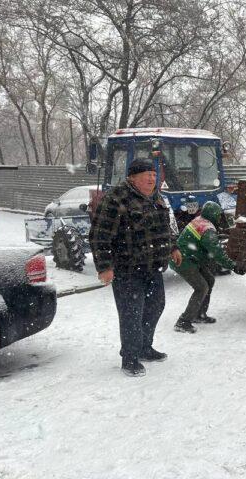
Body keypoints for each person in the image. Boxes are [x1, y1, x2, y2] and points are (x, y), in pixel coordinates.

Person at [90, 158, 183, 377]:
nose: (152, 178)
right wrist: (105, 266)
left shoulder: (156, 198)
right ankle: (130, 358)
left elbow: (163, 227)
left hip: (152, 267)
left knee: (155, 307)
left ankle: (144, 347)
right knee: (131, 314)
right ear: (132, 178)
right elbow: (99, 235)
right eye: (146, 175)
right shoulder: (116, 199)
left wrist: (173, 247)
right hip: (127, 270)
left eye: (153, 174)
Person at [172, 201, 240, 333]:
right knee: (201, 287)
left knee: (209, 279)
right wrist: (233, 266)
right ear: (213, 215)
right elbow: (217, 253)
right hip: (184, 260)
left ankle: (199, 314)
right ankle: (183, 322)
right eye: (219, 216)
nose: (220, 218)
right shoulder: (207, 229)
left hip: (191, 258)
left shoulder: (200, 220)